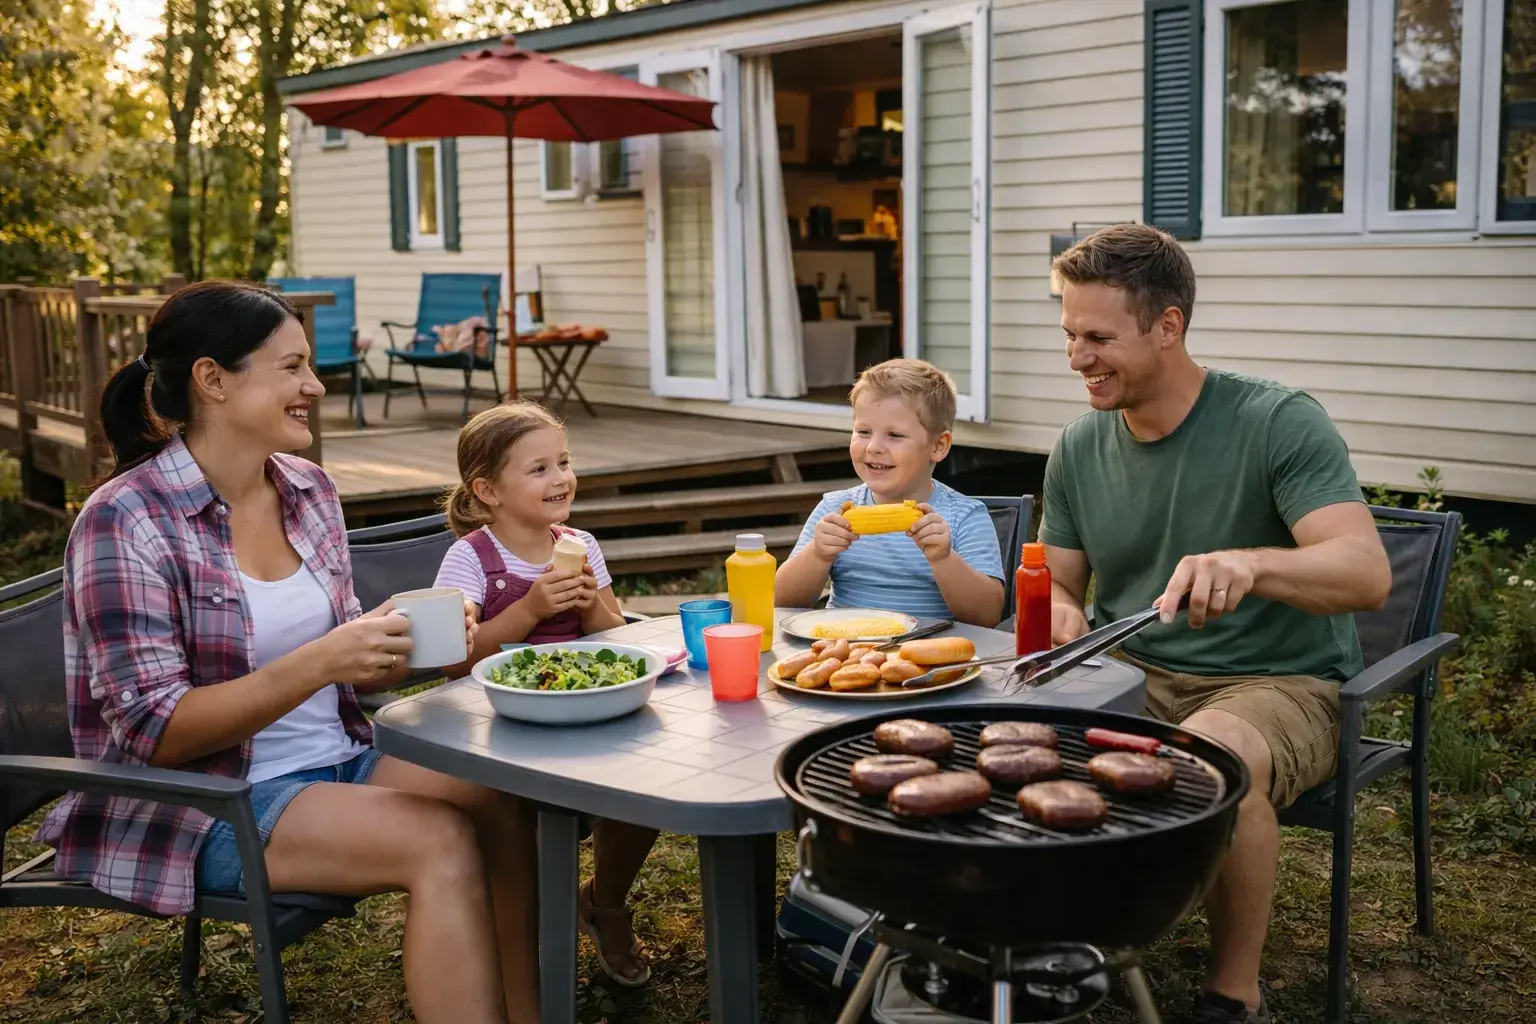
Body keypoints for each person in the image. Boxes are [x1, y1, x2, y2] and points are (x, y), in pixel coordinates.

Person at [36, 281, 541, 1024]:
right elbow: (156, 732)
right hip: (204, 802)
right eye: (292, 367)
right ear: (213, 379)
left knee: (502, 794)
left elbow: (335, 656)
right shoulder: (125, 520)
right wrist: (325, 660)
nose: (315, 385)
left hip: (339, 756)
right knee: (438, 839)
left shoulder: (307, 489)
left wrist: (402, 635)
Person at [1042, 225, 1391, 1024]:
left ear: (1169, 327)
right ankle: (1042, 939)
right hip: (1128, 677)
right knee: (1003, 744)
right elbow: (1057, 583)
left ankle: (1234, 995)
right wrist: (1061, 612)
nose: (1077, 358)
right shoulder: (1076, 446)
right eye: (1068, 334)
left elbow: (1365, 572)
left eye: (1099, 337)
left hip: (1278, 681)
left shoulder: (1277, 421)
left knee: (1217, 761)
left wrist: (1255, 562)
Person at [433, 401, 660, 988]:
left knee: (646, 798)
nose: (561, 478)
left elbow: (613, 635)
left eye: (563, 462)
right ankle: (522, 944)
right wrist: (531, 608)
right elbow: (457, 657)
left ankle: (605, 902)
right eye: (539, 469)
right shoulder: (471, 558)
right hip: (501, 725)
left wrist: (591, 606)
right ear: (488, 490)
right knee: (524, 844)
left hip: (587, 711)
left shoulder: (578, 541)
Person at [775, 358, 1005, 626]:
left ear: (939, 446)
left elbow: (987, 616)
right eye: (863, 431)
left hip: (927, 657)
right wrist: (817, 553)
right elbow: (782, 604)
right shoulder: (834, 509)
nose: (874, 447)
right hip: (845, 653)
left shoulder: (964, 516)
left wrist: (943, 559)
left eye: (894, 435)